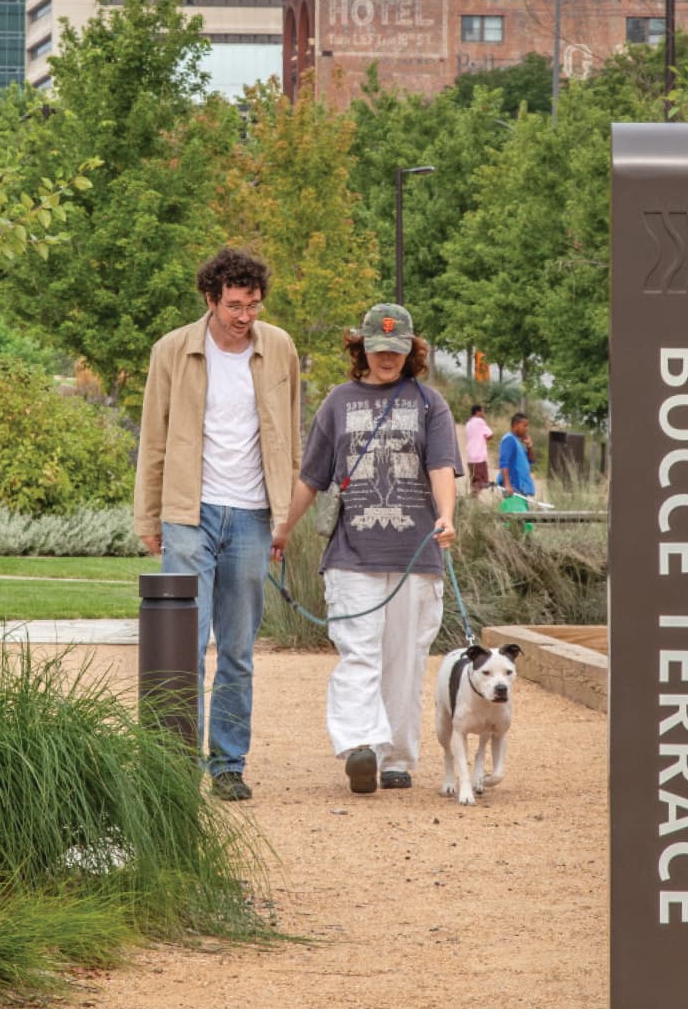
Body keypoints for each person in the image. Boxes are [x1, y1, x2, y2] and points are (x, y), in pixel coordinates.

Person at [271, 303, 458, 796]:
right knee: (359, 653)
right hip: (352, 554)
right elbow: (311, 476)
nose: (387, 358)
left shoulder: (428, 403)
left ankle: (395, 756)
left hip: (415, 555)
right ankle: (360, 746)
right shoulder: (337, 402)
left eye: (396, 351)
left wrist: (447, 515)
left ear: (411, 352)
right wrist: (282, 530)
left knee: (404, 660)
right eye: (377, 349)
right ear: (362, 349)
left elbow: (441, 465)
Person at [135, 247, 301, 800]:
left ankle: (228, 765)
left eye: (253, 305)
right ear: (210, 300)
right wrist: (149, 515)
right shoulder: (173, 351)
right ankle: (172, 767)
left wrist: (285, 517)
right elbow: (153, 438)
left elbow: (291, 437)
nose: (244, 316)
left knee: (237, 647)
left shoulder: (278, 348)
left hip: (253, 514)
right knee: (183, 643)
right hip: (190, 512)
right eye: (234, 305)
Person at [497, 411, 535, 499]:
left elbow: (531, 460)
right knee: (514, 512)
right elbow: (504, 463)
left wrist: (529, 446)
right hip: (513, 487)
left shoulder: (517, 442)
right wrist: (507, 485)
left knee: (520, 511)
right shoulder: (509, 440)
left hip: (521, 488)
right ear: (516, 425)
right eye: (524, 426)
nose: (527, 429)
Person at [463, 403, 493, 495]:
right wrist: (486, 439)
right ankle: (473, 498)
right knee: (482, 481)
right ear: (478, 412)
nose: (484, 413)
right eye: (482, 411)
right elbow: (490, 434)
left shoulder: (468, 424)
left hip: (470, 457)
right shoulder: (480, 422)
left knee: (474, 479)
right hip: (479, 457)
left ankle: (473, 500)